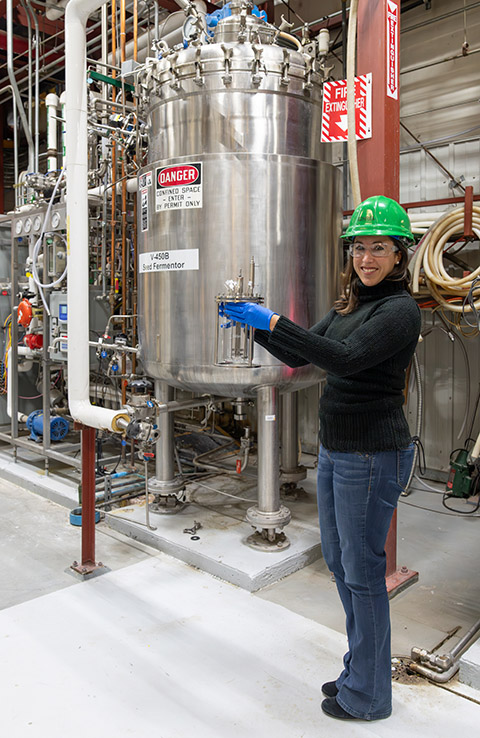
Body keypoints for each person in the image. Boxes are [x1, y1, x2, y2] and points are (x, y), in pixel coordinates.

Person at [224, 195, 421, 722]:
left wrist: (273, 318)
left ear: (400, 255)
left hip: (374, 453)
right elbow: (305, 352)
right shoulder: (350, 306)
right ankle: (361, 669)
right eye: (359, 248)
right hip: (338, 451)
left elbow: (345, 359)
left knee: (361, 570)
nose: (367, 258)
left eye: (379, 248)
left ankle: (371, 696)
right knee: (341, 564)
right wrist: (257, 326)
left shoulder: (400, 311)